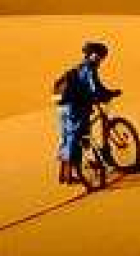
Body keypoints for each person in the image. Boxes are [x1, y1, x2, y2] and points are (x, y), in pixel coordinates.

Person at [55, 41, 122, 185]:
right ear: (90, 55)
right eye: (98, 56)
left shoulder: (79, 68)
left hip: (65, 106)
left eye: (102, 56)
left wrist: (105, 93)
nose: (100, 59)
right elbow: (94, 88)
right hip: (74, 107)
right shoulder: (88, 69)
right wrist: (107, 94)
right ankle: (71, 173)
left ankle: (65, 173)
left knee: (69, 136)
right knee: (76, 136)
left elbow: (96, 87)